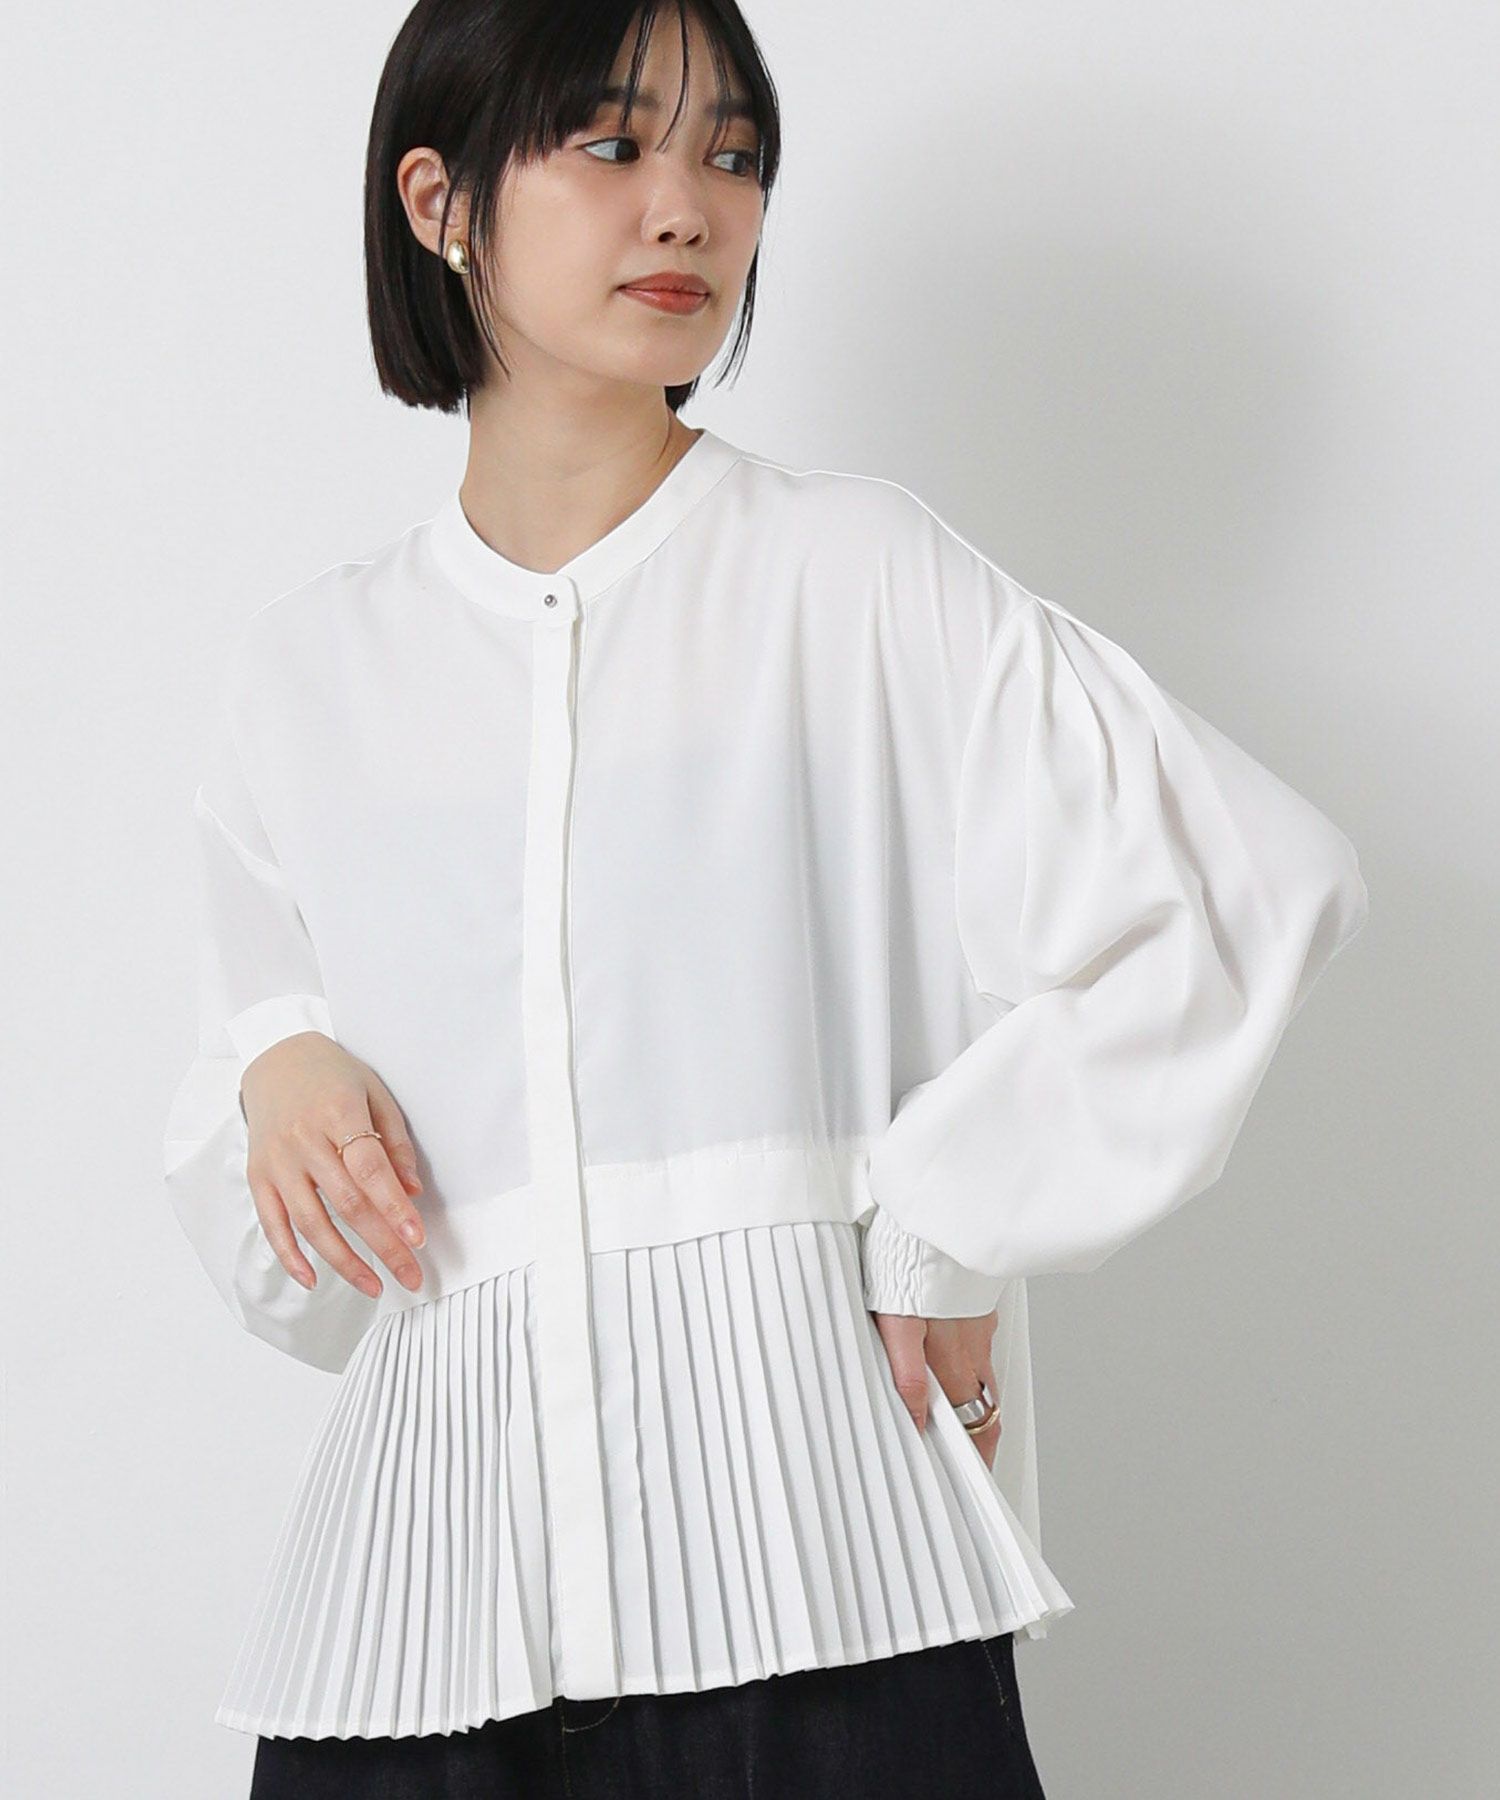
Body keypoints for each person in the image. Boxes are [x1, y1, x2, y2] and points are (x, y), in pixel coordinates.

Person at [161, 1, 1370, 1795]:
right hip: (419, 1665)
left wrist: (948, 1217)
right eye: (611, 143)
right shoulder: (308, 675)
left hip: (825, 1636)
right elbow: (301, 1281)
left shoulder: (852, 578)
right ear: (438, 200)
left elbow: (1240, 895)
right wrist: (274, 1066)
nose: (689, 207)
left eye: (731, 155)